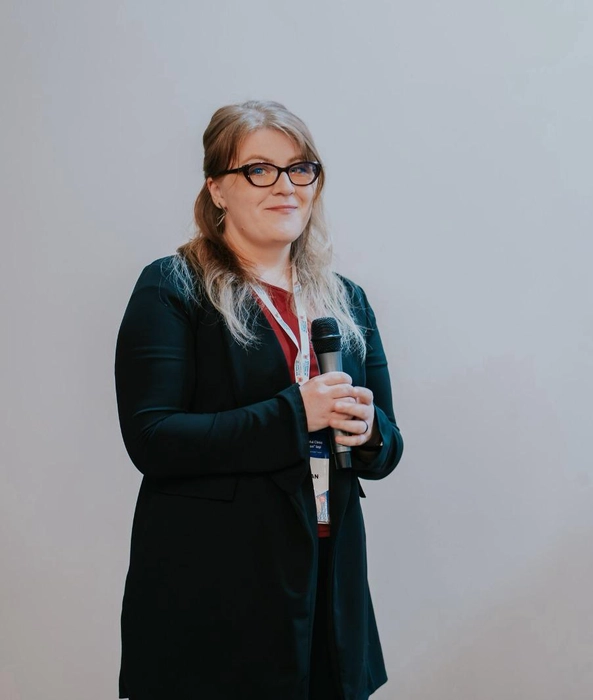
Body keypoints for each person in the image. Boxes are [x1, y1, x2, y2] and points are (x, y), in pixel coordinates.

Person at [114, 100, 404, 700]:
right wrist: (296, 414)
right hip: (217, 584)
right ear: (217, 188)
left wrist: (367, 429)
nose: (285, 186)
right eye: (259, 170)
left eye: (300, 168)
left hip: (328, 575)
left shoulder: (347, 299)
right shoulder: (172, 286)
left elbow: (388, 447)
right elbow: (154, 439)